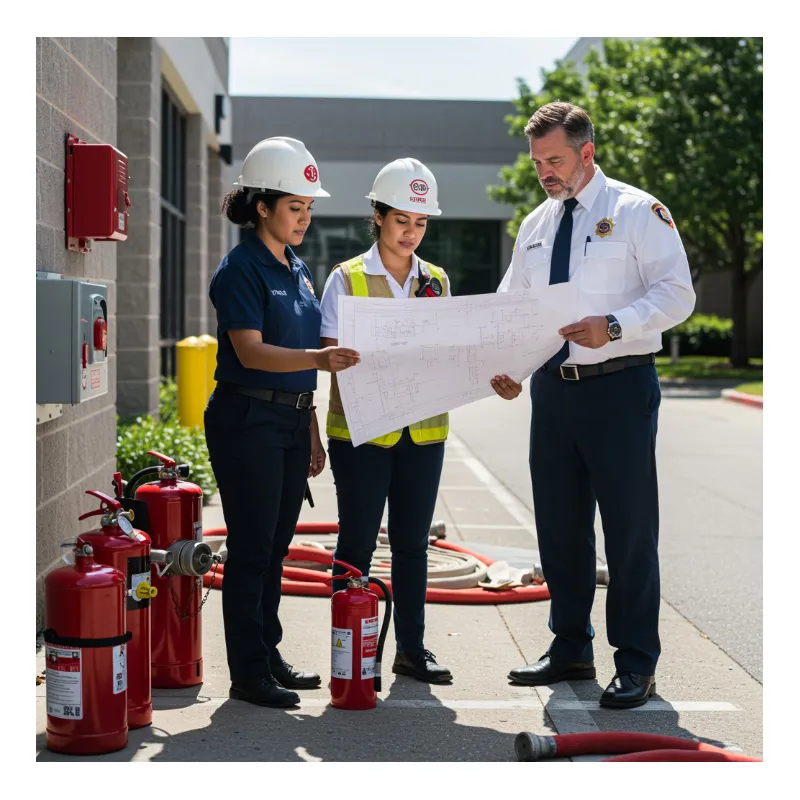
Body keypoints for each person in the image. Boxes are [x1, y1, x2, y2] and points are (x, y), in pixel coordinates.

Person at [492, 102, 695, 708]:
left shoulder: (637, 211)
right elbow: (515, 307)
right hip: (554, 393)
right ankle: (570, 647)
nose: (545, 173)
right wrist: (507, 367)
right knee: (559, 529)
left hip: (619, 388)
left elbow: (677, 294)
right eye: (537, 164)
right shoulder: (536, 223)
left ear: (587, 153)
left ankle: (635, 662)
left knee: (629, 532)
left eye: (554, 160)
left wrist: (615, 324)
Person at [204, 137, 360, 708]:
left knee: (276, 548)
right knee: (250, 547)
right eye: (295, 206)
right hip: (247, 418)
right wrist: (320, 362)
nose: (305, 218)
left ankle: (266, 653)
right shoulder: (241, 267)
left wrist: (312, 426)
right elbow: (250, 351)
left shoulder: (295, 266)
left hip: (291, 421)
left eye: (309, 208)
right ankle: (247, 672)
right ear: (263, 206)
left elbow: (296, 355)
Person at [319, 158, 453, 683]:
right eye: (402, 220)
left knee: (412, 545)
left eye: (421, 223)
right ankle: (350, 654)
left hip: (422, 431)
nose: (411, 233)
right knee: (355, 542)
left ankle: (411, 651)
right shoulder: (346, 277)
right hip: (362, 431)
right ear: (376, 216)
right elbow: (328, 349)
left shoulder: (436, 279)